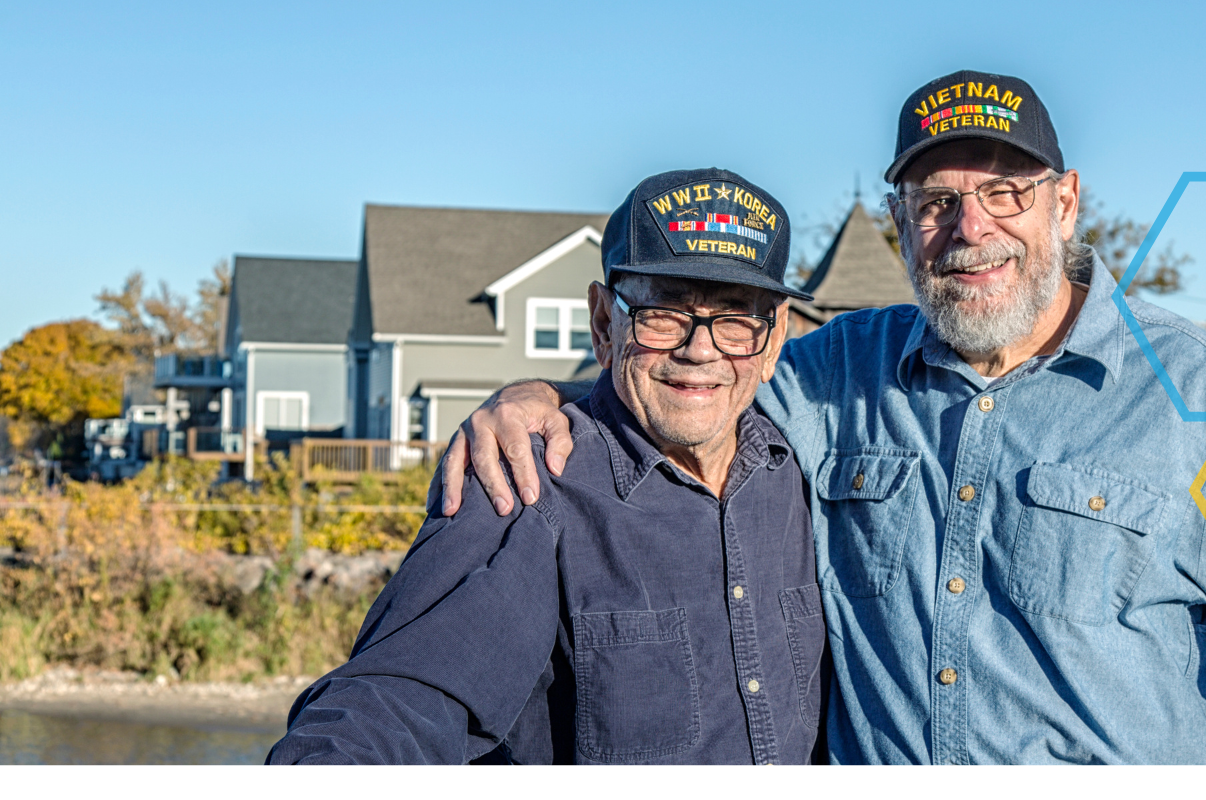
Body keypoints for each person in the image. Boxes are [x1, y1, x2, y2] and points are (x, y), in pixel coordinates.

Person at [443, 71, 1206, 764]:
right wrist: (545, 394)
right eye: (938, 200)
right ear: (902, 218)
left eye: (1006, 191)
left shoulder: (1202, 393)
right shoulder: (833, 371)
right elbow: (693, 381)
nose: (971, 228)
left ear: (1066, 203)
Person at [268, 168, 826, 764]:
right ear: (604, 322)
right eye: (663, 313)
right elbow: (404, 691)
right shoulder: (529, 483)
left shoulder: (803, 472)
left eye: (736, 318)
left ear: (773, 340)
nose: (699, 349)